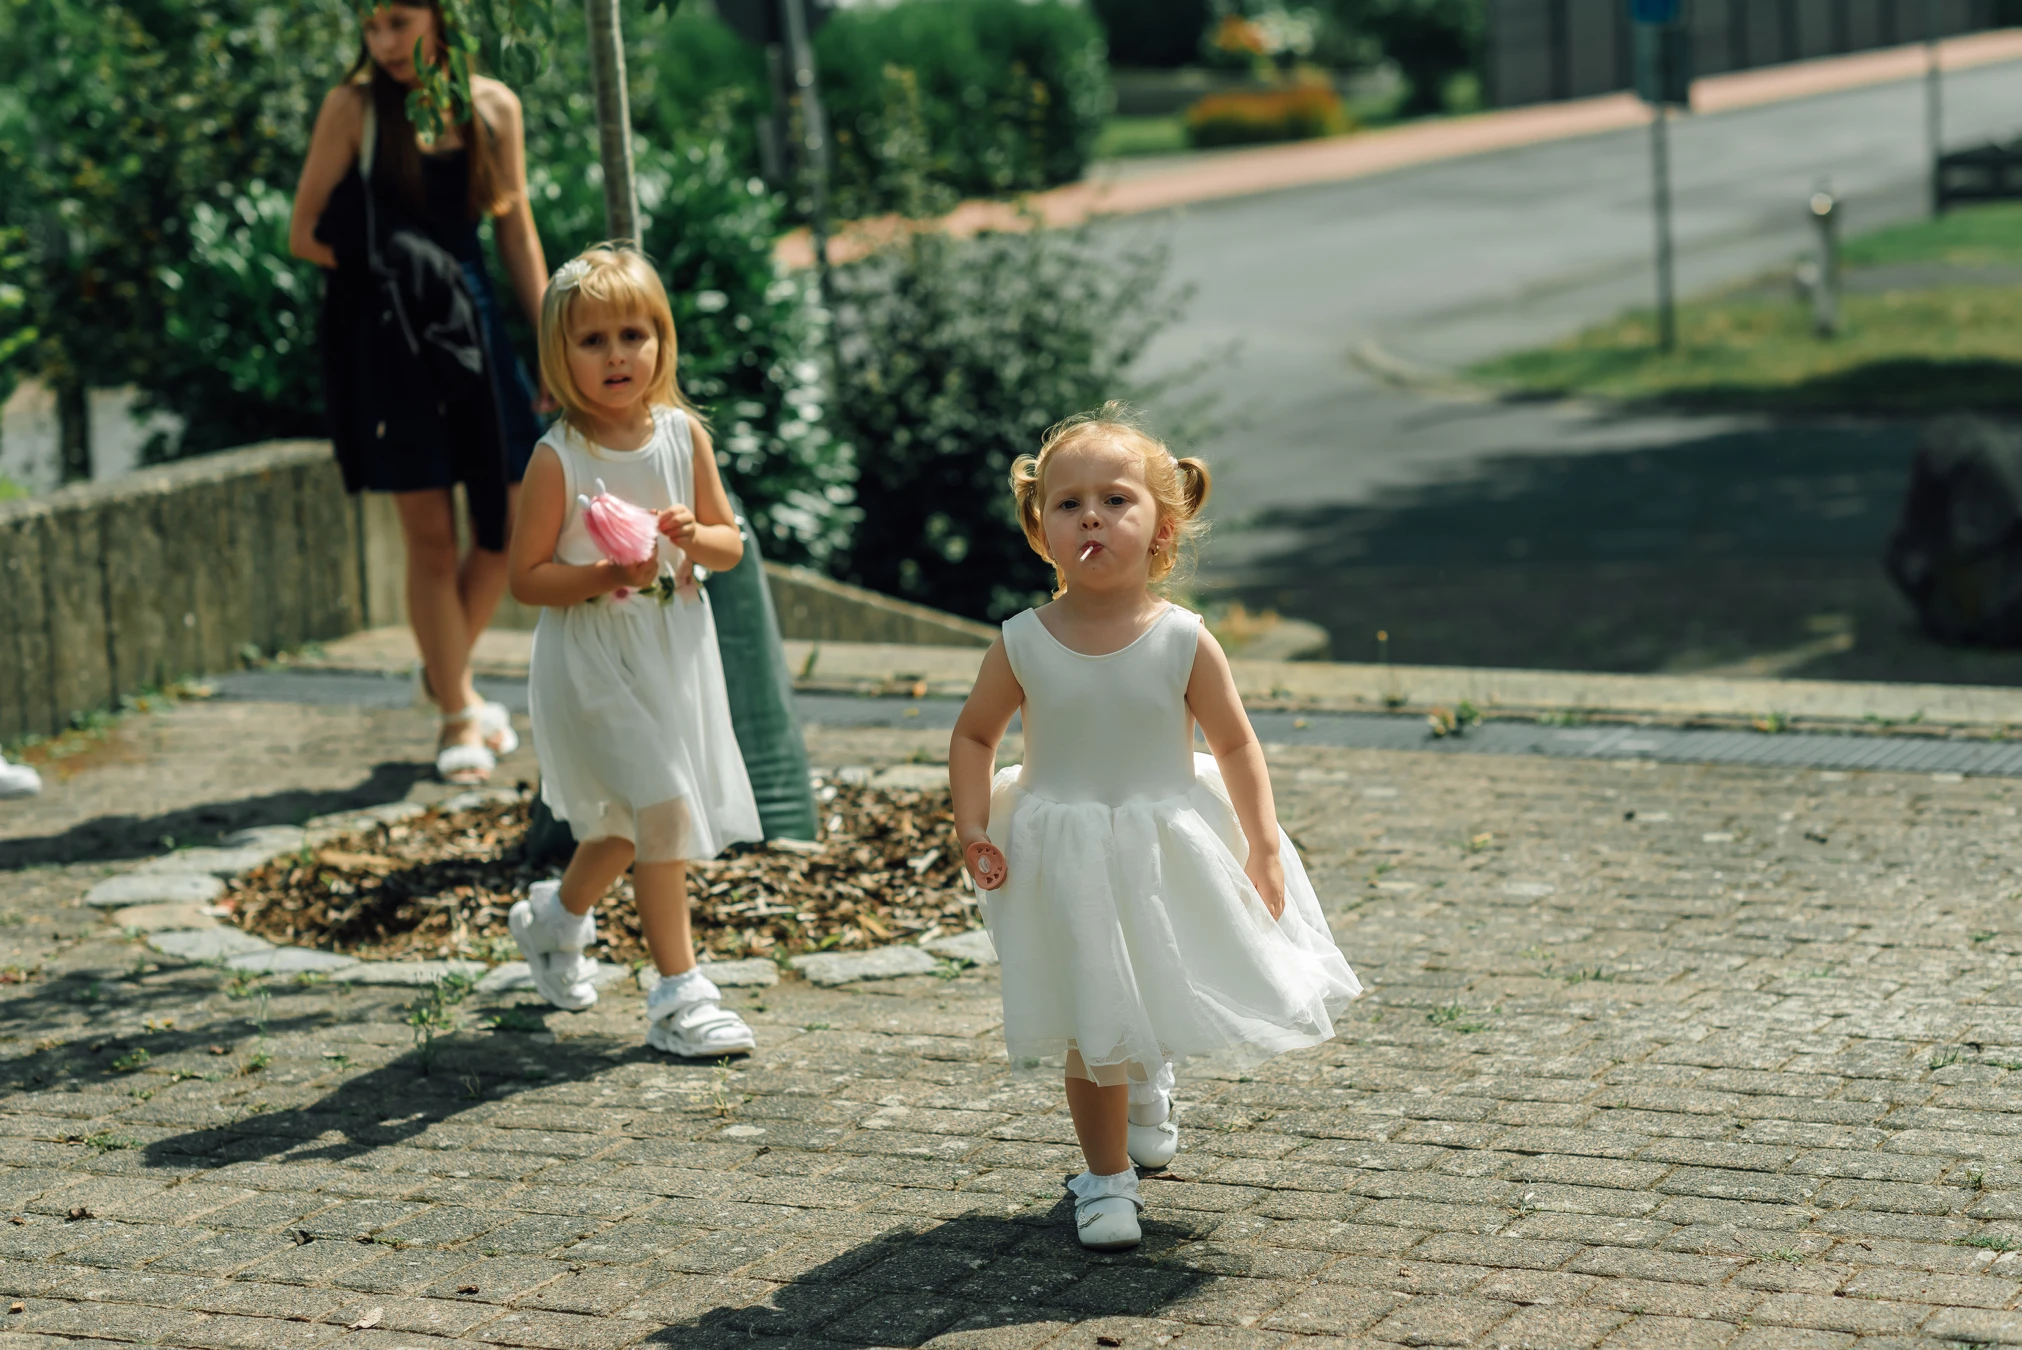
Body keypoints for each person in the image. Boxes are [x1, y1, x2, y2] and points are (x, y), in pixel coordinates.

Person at [949, 407, 1362, 1251]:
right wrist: (972, 824)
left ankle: (1147, 1085)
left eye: (1115, 500)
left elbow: (1236, 743)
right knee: (1088, 1008)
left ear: (1162, 527)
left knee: (1158, 973)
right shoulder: (1023, 642)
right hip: (1063, 850)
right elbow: (974, 736)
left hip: (1164, 843)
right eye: (1069, 504)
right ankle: (1106, 1181)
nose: (1091, 518)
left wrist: (1263, 844)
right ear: (1041, 530)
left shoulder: (1183, 641)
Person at [504, 245, 762, 1058]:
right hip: (593, 657)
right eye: (592, 341)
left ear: (661, 341)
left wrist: (695, 535)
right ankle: (680, 995)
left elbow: (729, 546)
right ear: (561, 354)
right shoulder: (560, 457)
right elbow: (527, 578)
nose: (616, 355)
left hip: (671, 649)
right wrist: (608, 572)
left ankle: (554, 921)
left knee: (625, 822)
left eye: (632, 336)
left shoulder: (683, 437)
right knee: (664, 808)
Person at [288, 0, 549, 785]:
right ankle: (457, 713)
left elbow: (516, 233)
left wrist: (552, 344)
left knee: (508, 525)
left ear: (442, 16)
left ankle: (443, 673)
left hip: (476, 328)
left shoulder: (495, 106)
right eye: (371, 28)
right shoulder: (354, 108)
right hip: (392, 336)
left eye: (398, 22)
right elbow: (304, 232)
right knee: (430, 537)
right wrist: (396, 265)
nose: (384, 42)